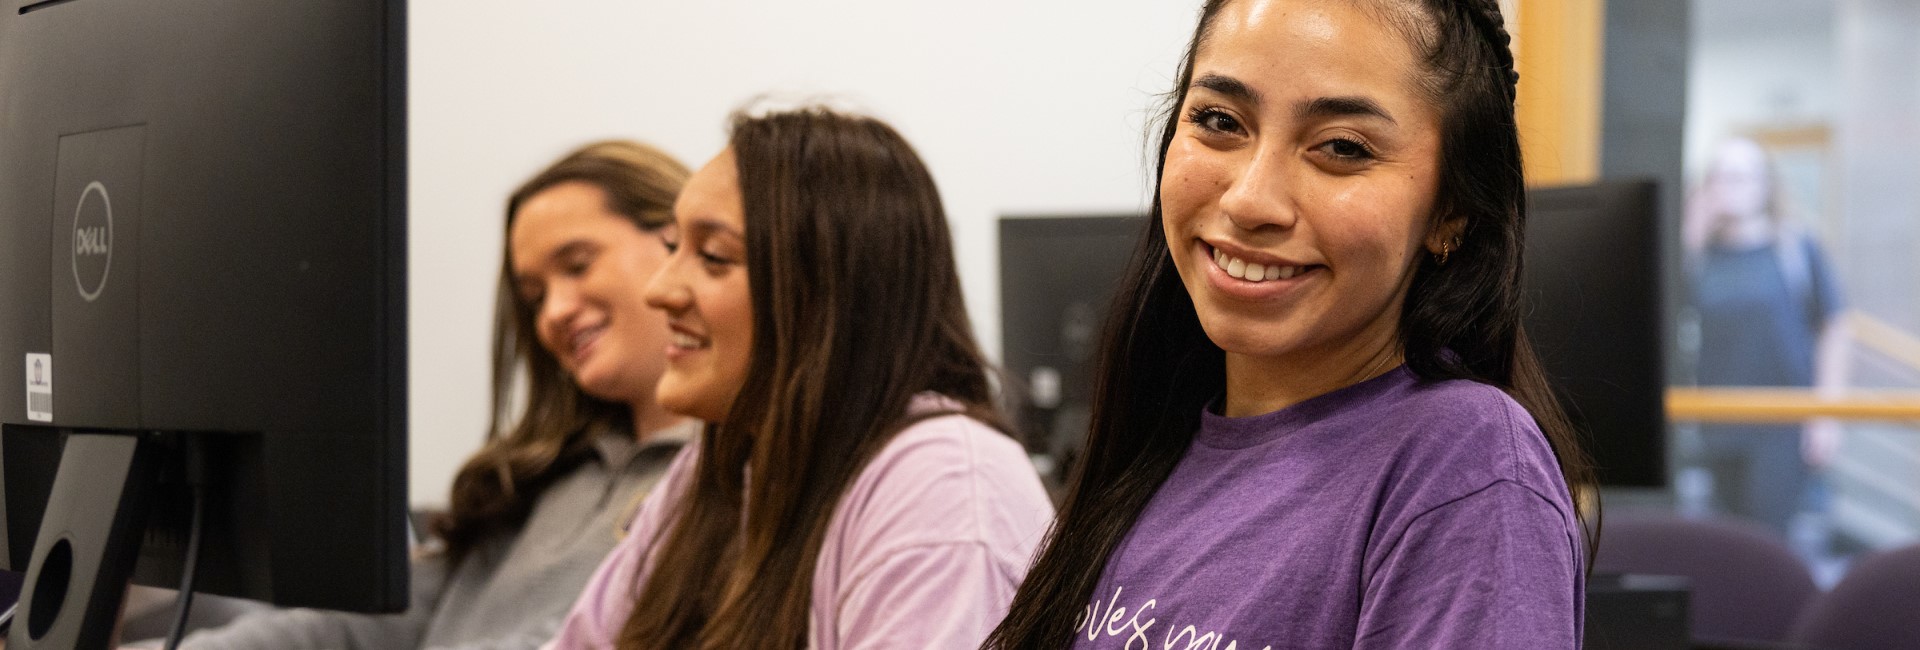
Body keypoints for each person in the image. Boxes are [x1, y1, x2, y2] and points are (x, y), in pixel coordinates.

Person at [986, 1, 1592, 647]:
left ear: (1452, 211)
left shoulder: (1464, 463)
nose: (1250, 200)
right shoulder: (1156, 442)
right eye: (1219, 121)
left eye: (1341, 147)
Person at [154, 140, 701, 649]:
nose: (554, 312)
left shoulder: (731, 481)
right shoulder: (544, 477)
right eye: (533, 297)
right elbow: (375, 621)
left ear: (682, 245)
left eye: (578, 265)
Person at [545, 107, 1054, 650]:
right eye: (674, 249)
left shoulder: (943, 485)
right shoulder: (720, 468)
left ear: (830, 293)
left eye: (713, 257)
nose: (660, 290)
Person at [1683, 137, 1849, 540]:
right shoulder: (1703, 254)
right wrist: (1691, 233)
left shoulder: (1796, 249)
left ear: (1765, 184)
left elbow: (1836, 327)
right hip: (1718, 420)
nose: (1730, 185)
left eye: (1741, 176)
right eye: (1721, 176)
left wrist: (1826, 414)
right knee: (1725, 544)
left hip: (1782, 424)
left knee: (1770, 544)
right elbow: (1671, 308)